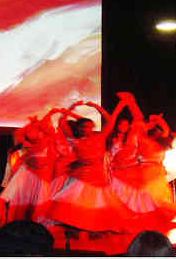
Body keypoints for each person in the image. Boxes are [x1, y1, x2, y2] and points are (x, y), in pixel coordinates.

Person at [40, 97, 138, 238]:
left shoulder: (100, 137)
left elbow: (110, 120)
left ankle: (94, 228)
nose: (87, 129)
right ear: (78, 128)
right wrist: (71, 107)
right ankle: (77, 228)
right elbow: (62, 122)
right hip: (81, 176)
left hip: (98, 176)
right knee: (77, 203)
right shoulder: (74, 140)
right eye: (83, 126)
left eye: (90, 126)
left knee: (96, 204)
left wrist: (97, 107)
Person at [110, 92, 176, 227]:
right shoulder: (146, 140)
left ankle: (131, 101)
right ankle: (131, 101)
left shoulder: (157, 142)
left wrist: (157, 120)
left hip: (154, 172)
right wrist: (156, 120)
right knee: (147, 197)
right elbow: (159, 128)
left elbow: (165, 129)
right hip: (147, 170)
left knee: (152, 198)